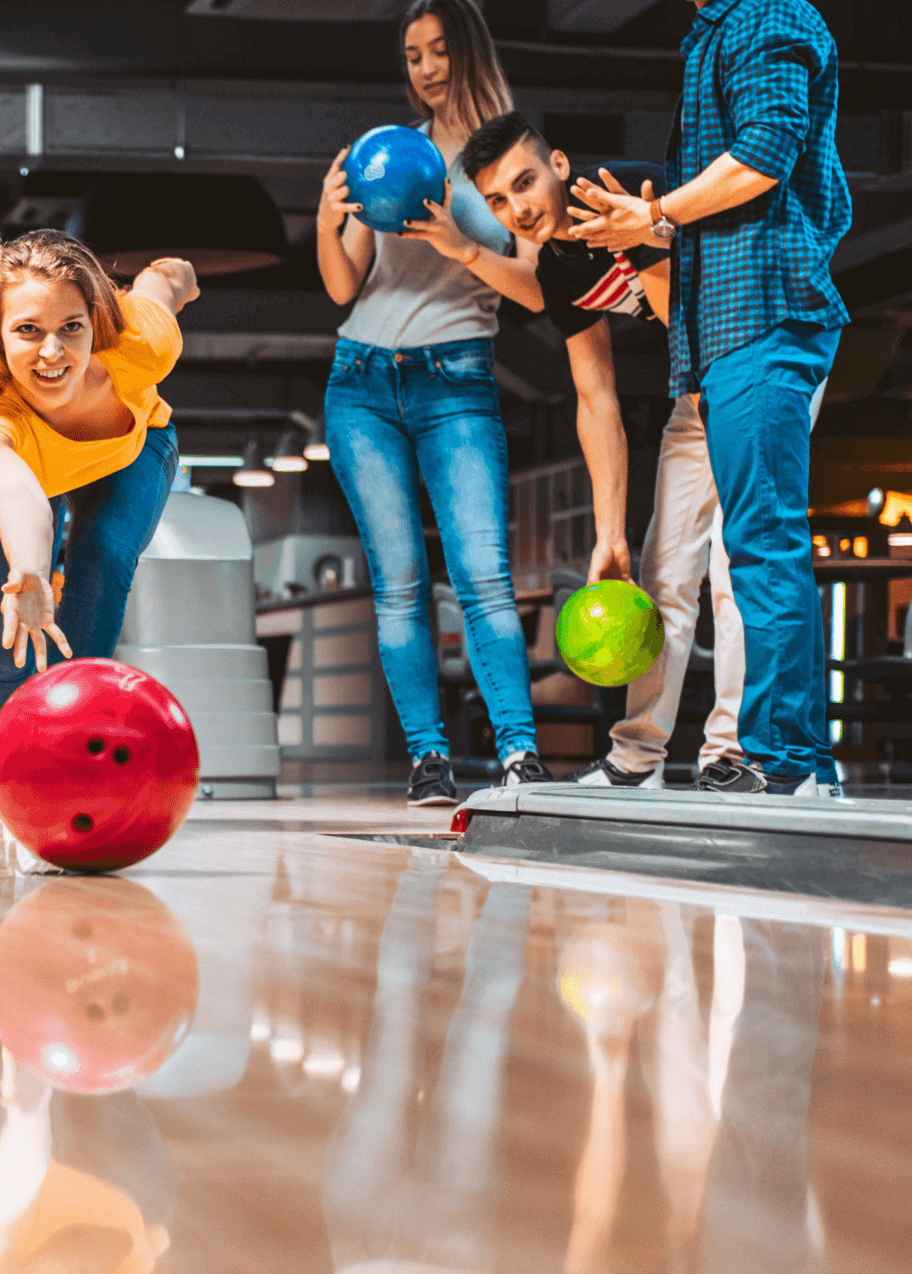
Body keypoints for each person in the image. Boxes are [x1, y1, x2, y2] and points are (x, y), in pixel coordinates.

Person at [565, 0, 851, 798]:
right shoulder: (714, 33)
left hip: (768, 316)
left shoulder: (767, 15)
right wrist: (654, 229)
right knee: (748, 549)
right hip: (726, 337)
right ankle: (759, 755)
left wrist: (655, 211)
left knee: (761, 546)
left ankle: (792, 761)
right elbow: (728, 207)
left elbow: (764, 156)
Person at [461, 111, 746, 792]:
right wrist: (607, 535)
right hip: (698, 389)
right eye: (497, 199)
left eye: (523, 183)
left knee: (739, 570)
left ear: (559, 164)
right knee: (661, 570)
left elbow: (689, 317)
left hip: (756, 367)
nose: (517, 209)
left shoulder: (630, 191)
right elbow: (596, 401)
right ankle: (637, 757)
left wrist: (642, 239)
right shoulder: (559, 269)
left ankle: (733, 753)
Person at [317, 0, 552, 807]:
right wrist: (327, 215)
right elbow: (343, 285)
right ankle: (429, 759)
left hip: (457, 378)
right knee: (401, 583)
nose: (424, 67)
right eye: (412, 54)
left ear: (469, 50)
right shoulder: (390, 153)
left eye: (439, 49)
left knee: (483, 576)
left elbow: (529, 286)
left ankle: (520, 752)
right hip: (362, 382)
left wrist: (458, 241)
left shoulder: (510, 158)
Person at [0, 231, 199, 818]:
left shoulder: (140, 342)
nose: (53, 352)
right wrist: (33, 572)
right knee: (10, 632)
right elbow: (18, 495)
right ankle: (13, 750)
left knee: (105, 554)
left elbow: (163, 283)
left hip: (131, 453)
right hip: (30, 476)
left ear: (95, 321)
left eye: (71, 327)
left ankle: (70, 752)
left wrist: (177, 274)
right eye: (28, 330)